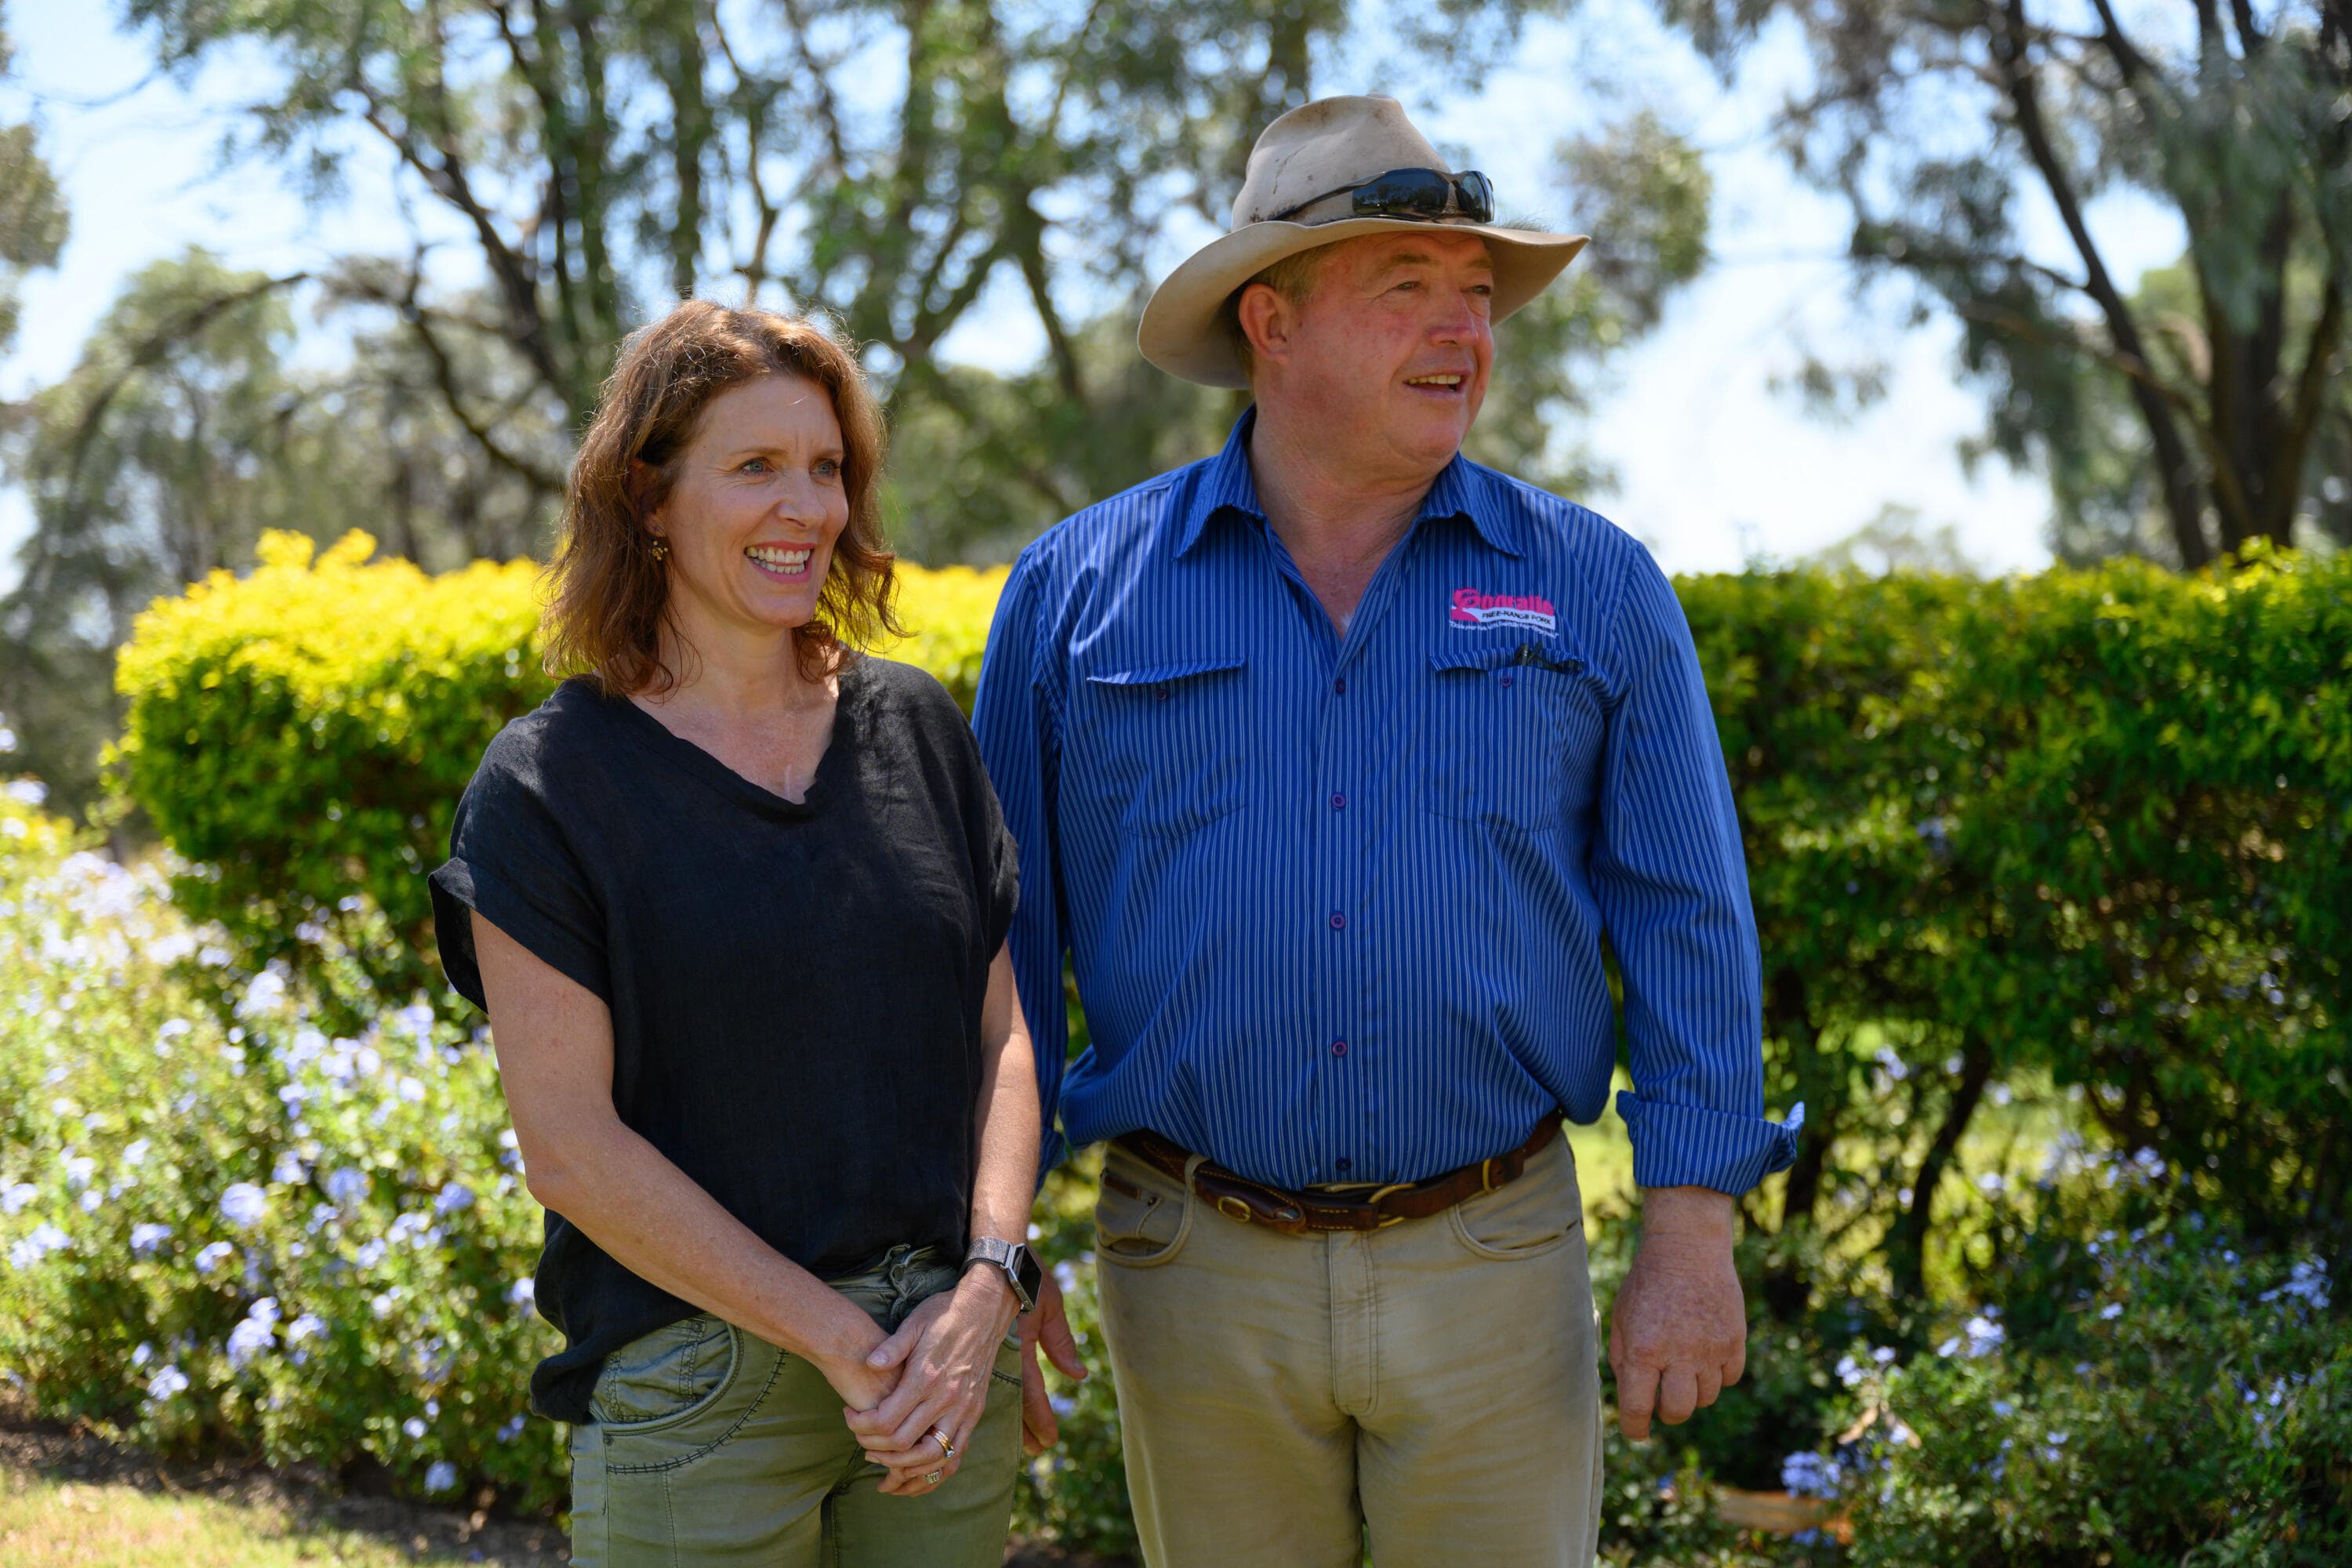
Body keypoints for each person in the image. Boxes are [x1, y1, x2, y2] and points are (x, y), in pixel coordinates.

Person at [976, 96, 1801, 1566]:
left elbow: (1688, 915)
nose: (1462, 330)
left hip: (1494, 1258)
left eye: (1476, 293)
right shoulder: (1073, 592)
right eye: (1407, 286)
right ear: (1272, 322)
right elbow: (1001, 955)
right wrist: (993, 1241)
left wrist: (1691, 1226)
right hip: (1193, 1265)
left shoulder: (1596, 587)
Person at [427, 301, 1047, 1567]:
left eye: (826, 467)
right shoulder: (548, 786)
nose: (805, 507)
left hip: (942, 1364)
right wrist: (837, 1340)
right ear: (648, 497)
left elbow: (1005, 1042)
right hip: (702, 1377)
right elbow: (572, 1151)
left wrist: (993, 1283)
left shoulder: (918, 726)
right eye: (755, 466)